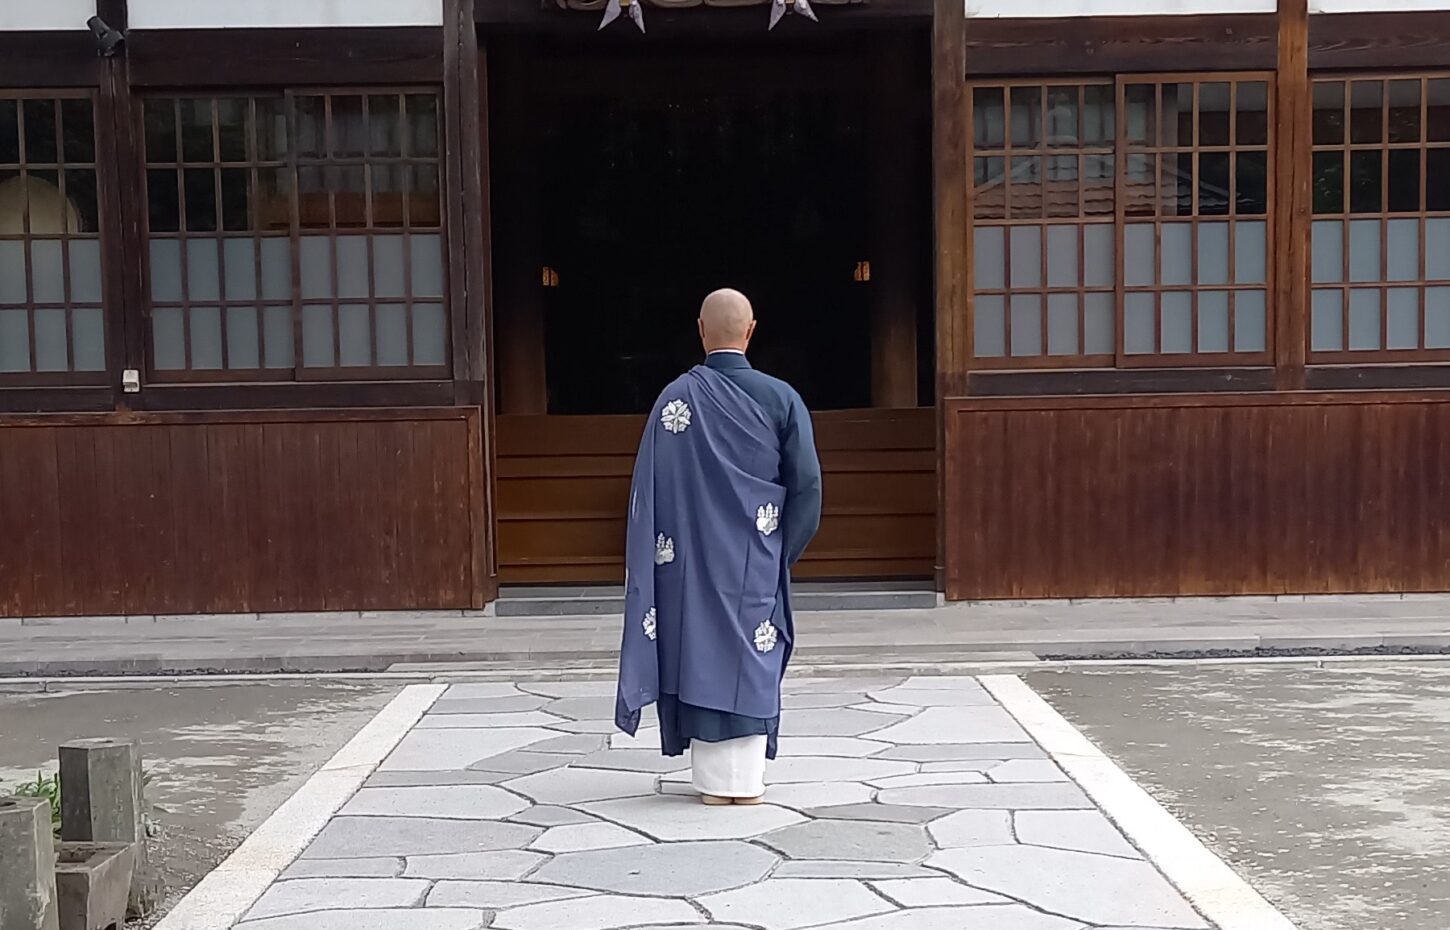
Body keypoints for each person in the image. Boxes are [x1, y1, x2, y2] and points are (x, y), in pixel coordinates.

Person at [615, 287, 823, 805]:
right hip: (756, 559)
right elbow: (809, 489)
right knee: (752, 652)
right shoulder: (782, 398)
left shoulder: (675, 401)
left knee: (699, 653)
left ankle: (712, 783)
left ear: (701, 331)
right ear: (750, 331)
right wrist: (779, 553)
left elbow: (653, 490)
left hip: (688, 566)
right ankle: (745, 782)